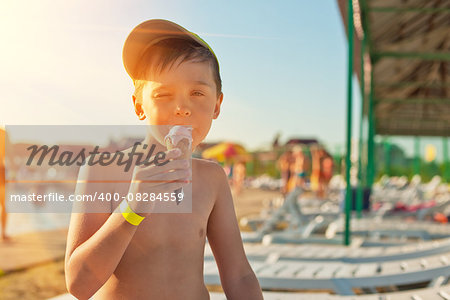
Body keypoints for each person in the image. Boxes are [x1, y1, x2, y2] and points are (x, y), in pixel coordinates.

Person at [64, 19, 263, 300]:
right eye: (164, 94)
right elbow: (79, 285)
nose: (182, 108)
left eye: (197, 93)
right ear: (138, 105)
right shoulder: (102, 170)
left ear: (216, 105)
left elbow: (239, 275)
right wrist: (131, 209)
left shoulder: (212, 178)